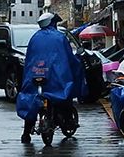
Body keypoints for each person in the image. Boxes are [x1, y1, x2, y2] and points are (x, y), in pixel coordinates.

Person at [16, 12, 84, 144]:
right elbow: (69, 57)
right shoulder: (60, 37)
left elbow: (29, 59)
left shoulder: (34, 38)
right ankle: (67, 120)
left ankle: (26, 133)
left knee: (32, 100)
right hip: (55, 77)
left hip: (34, 76)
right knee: (65, 95)